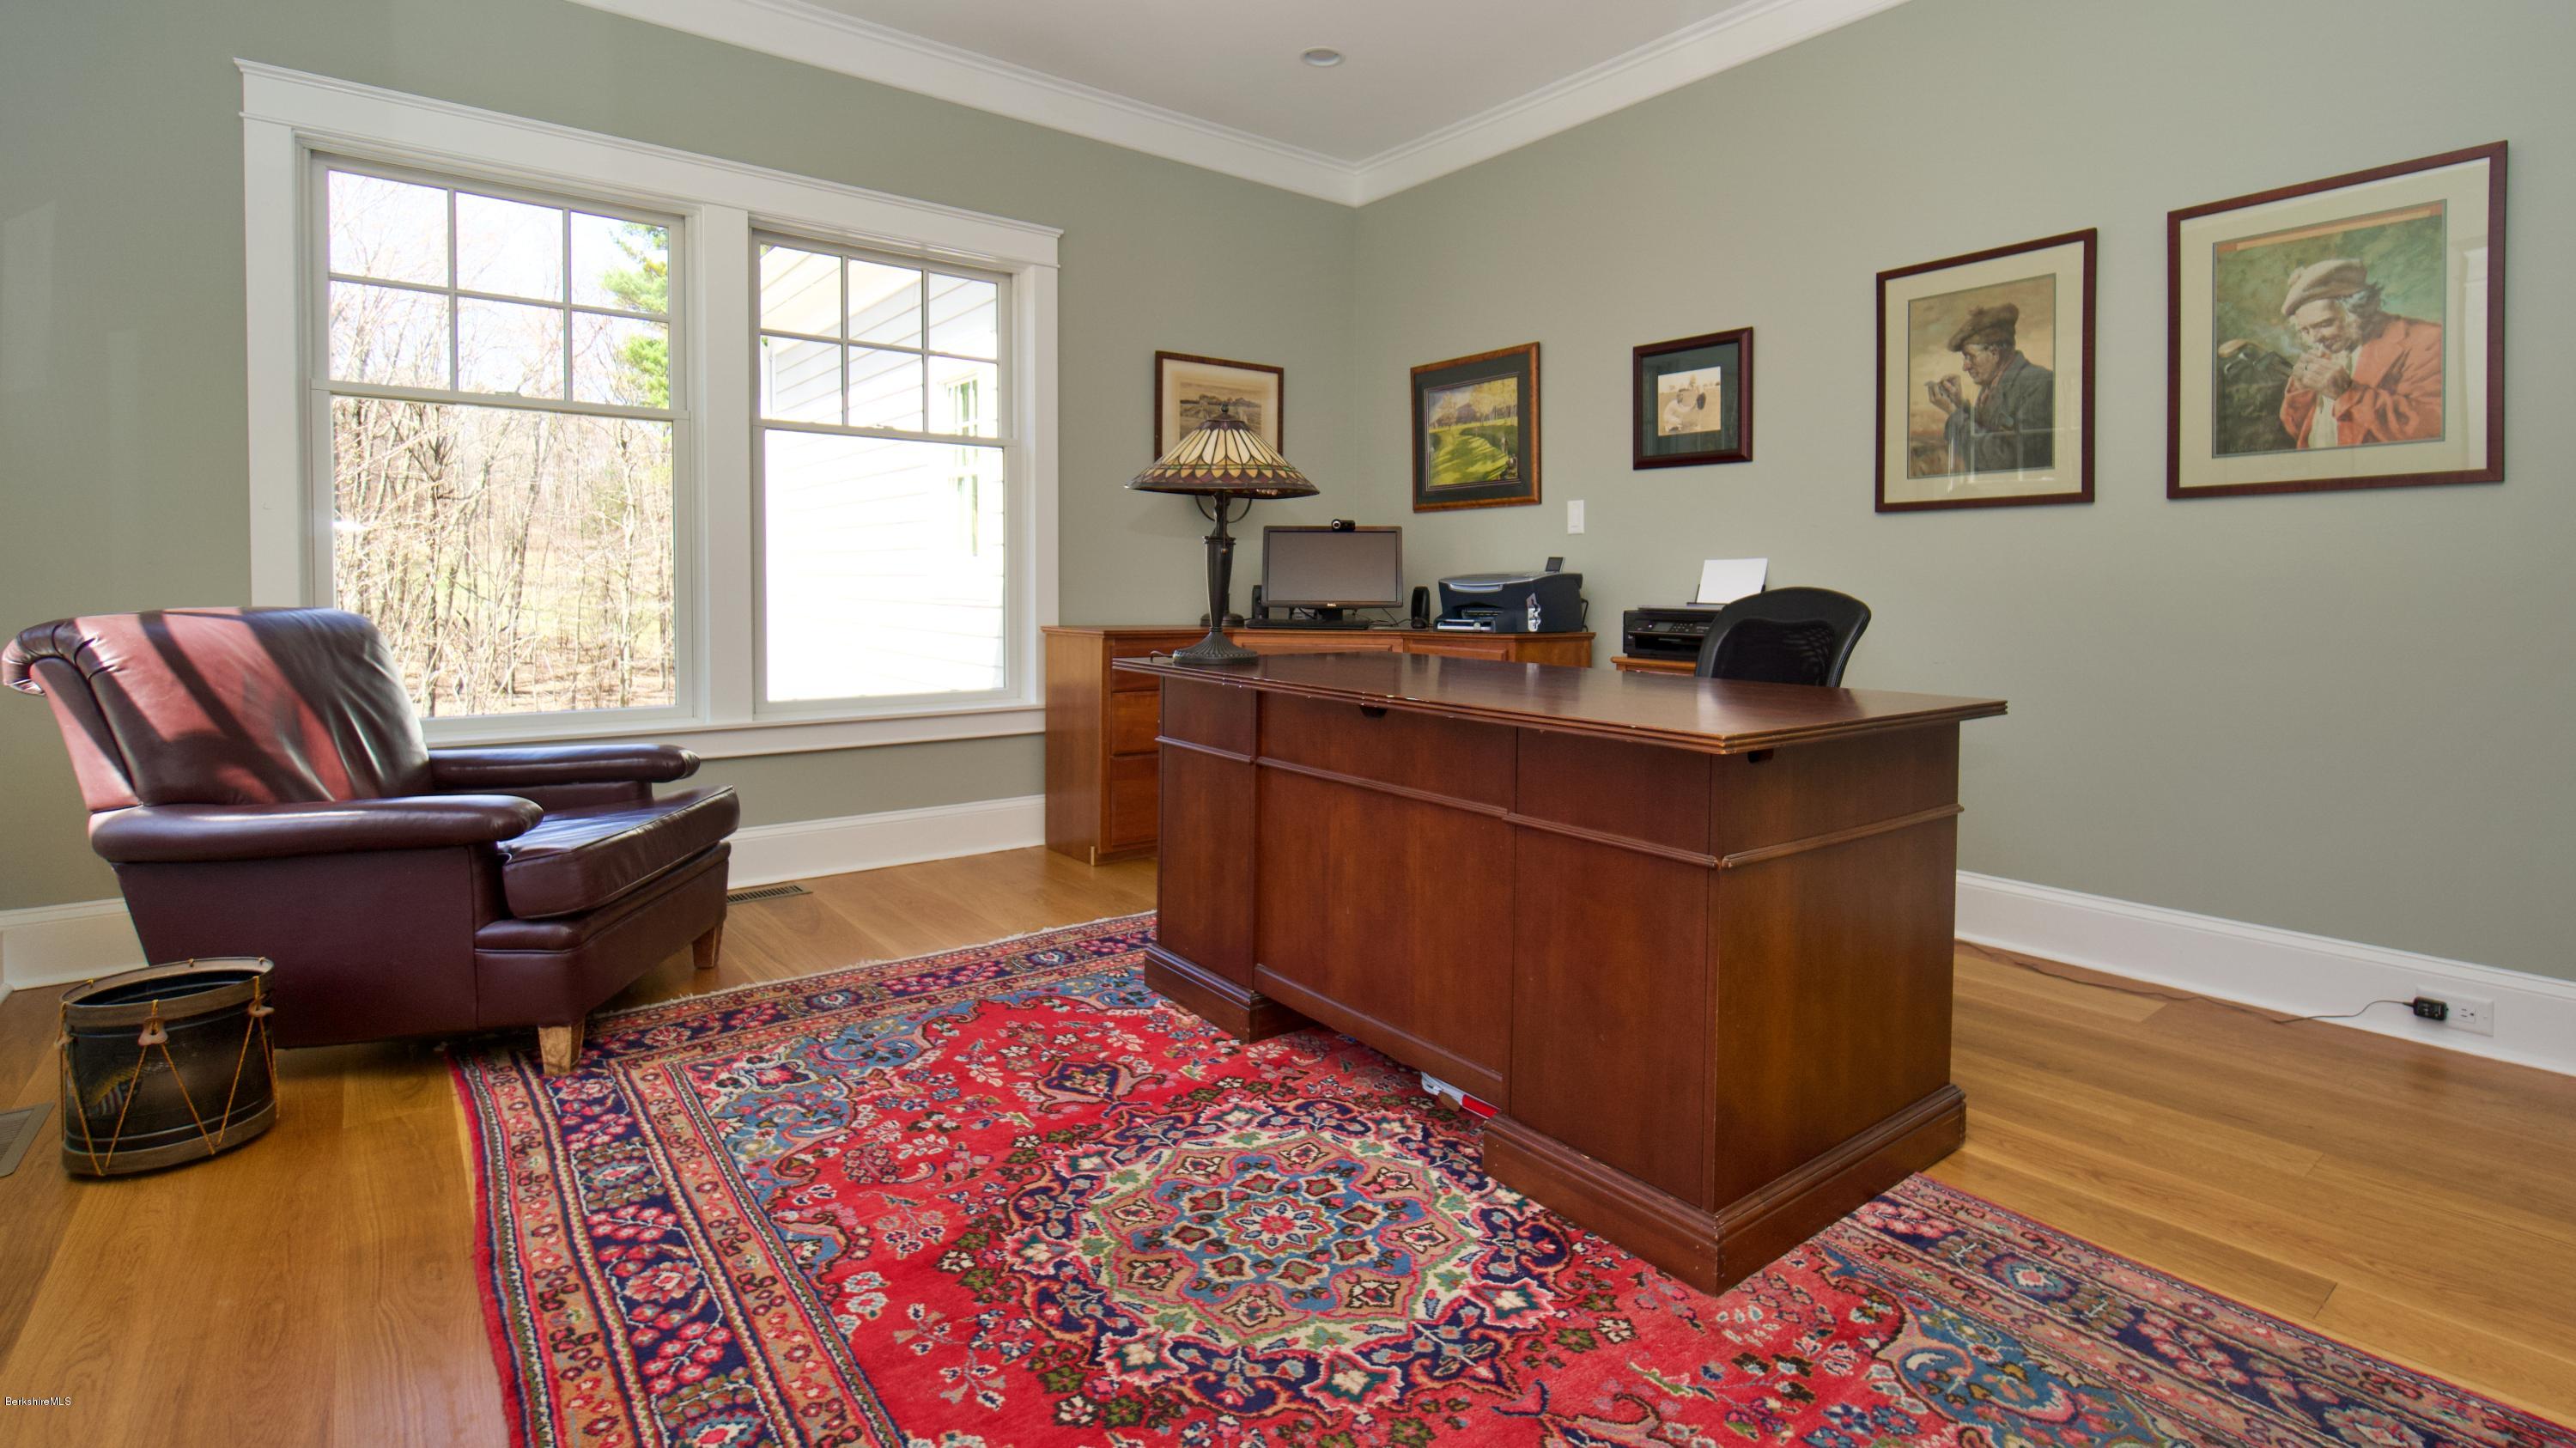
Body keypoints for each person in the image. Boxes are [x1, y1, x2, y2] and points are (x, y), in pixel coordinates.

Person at [2275, 258, 2443, 448]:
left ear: (2358, 310)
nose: (2315, 339)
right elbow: (2297, 431)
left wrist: (2348, 393)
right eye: (2305, 330)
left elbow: (2432, 428)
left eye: (2325, 324)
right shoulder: (2328, 351)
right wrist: (2301, 388)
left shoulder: (2426, 339)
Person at [1927, 302, 2054, 475]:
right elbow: (1987, 431)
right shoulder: (1995, 384)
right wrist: (1958, 404)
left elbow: (2007, 458)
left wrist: (1954, 413)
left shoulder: (2038, 382)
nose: (1965, 367)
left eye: (1970, 357)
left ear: (1994, 353)